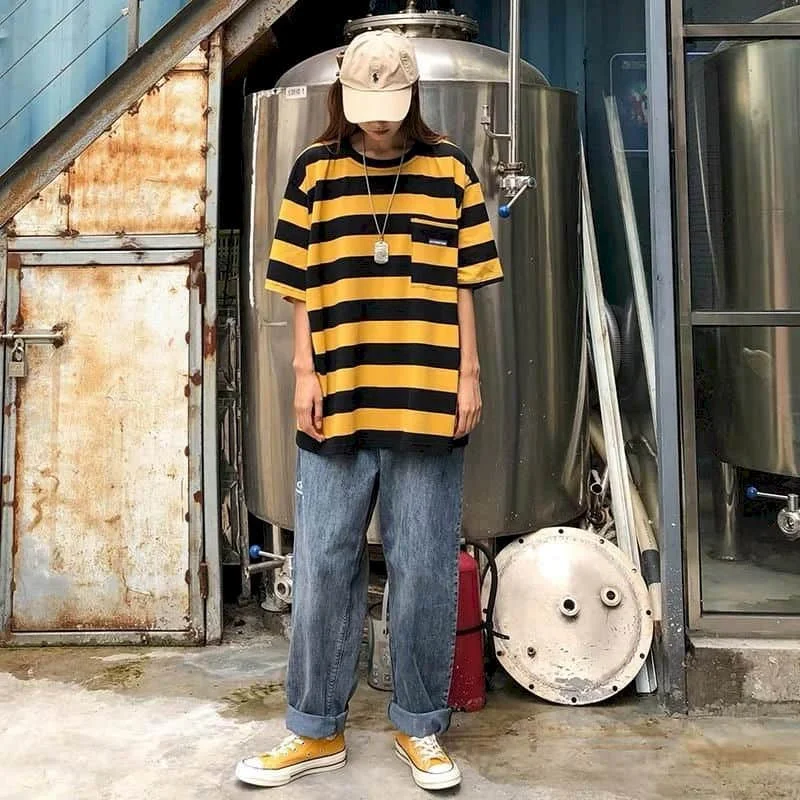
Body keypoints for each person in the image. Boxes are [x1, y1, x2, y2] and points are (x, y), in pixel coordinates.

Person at [236, 28, 503, 792]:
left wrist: (469, 374)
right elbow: (298, 286)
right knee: (324, 564)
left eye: (389, 105)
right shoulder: (315, 171)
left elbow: (465, 281)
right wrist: (303, 374)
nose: (378, 120)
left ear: (412, 97)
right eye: (364, 106)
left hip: (426, 394)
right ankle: (315, 729)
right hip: (339, 395)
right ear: (342, 100)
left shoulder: (450, 169)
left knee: (424, 567)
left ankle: (420, 725)